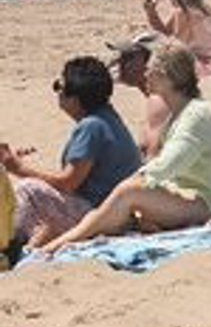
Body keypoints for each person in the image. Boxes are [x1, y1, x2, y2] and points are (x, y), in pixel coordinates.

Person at [41, 45, 211, 254]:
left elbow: (166, 166)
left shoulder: (195, 116)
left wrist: (132, 183)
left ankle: (58, 244)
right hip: (189, 195)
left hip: (206, 203)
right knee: (109, 210)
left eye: (150, 70)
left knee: (128, 192)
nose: (145, 75)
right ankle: (67, 238)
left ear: (167, 77)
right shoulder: (181, 112)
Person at [1, 56, 143, 251]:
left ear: (75, 100)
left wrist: (18, 168)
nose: (58, 93)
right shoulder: (106, 117)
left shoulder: (91, 126)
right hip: (115, 211)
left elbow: (69, 182)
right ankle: (25, 246)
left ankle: (7, 246)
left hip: (102, 215)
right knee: (41, 205)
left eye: (60, 87)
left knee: (29, 190)